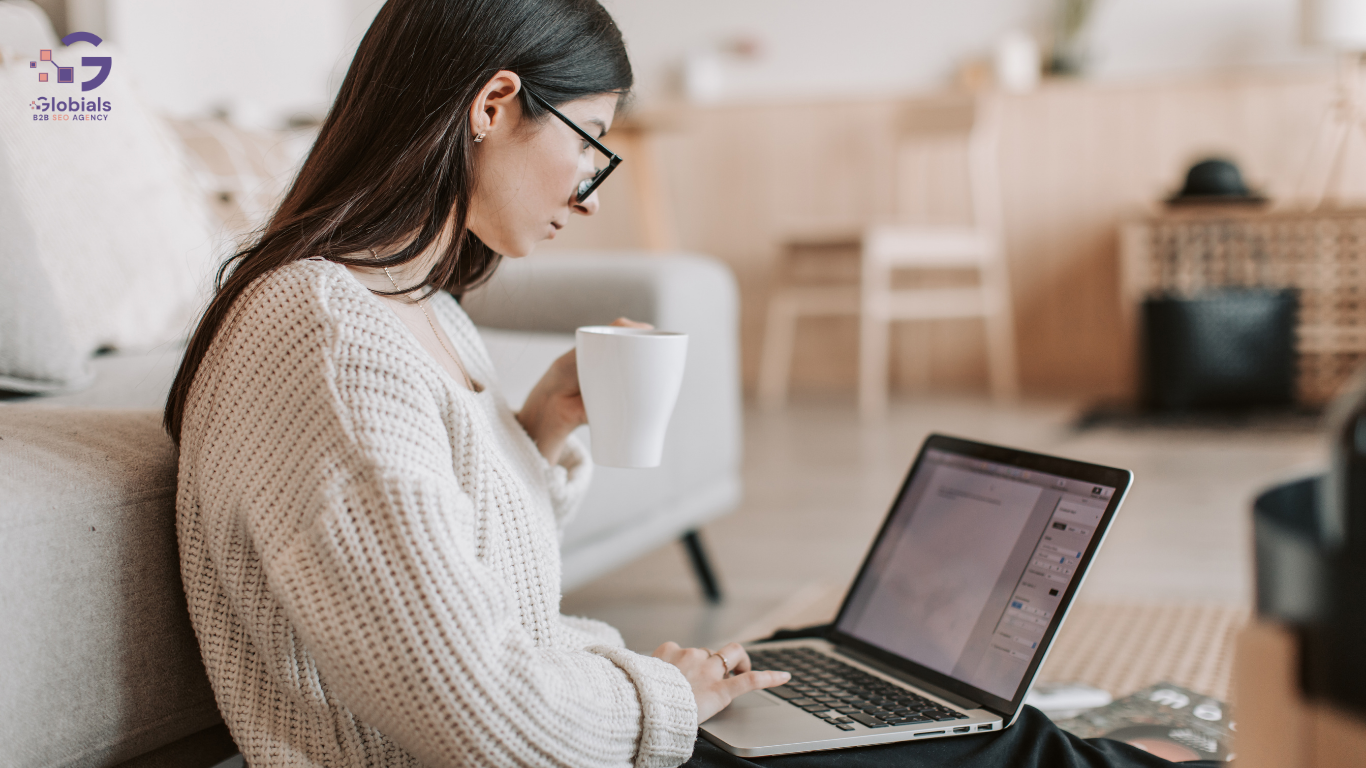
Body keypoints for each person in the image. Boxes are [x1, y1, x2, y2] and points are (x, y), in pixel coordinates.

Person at [165, 1, 1214, 766]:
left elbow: (467, 598)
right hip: (533, 750)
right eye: (589, 146)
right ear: (494, 103)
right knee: (999, 749)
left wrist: (531, 437)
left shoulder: (418, 311)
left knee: (965, 726)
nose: (588, 193)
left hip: (572, 725)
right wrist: (665, 696)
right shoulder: (327, 334)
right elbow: (478, 718)